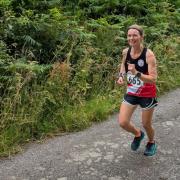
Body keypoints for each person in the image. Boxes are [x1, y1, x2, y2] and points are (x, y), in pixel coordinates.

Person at [117, 24, 158, 156]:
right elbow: (123, 67)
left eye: (135, 35)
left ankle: (151, 142)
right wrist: (121, 77)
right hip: (132, 92)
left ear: (141, 37)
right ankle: (138, 134)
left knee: (146, 123)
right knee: (123, 122)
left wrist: (136, 73)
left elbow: (153, 79)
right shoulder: (126, 52)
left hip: (147, 94)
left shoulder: (148, 54)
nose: (131, 38)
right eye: (129, 35)